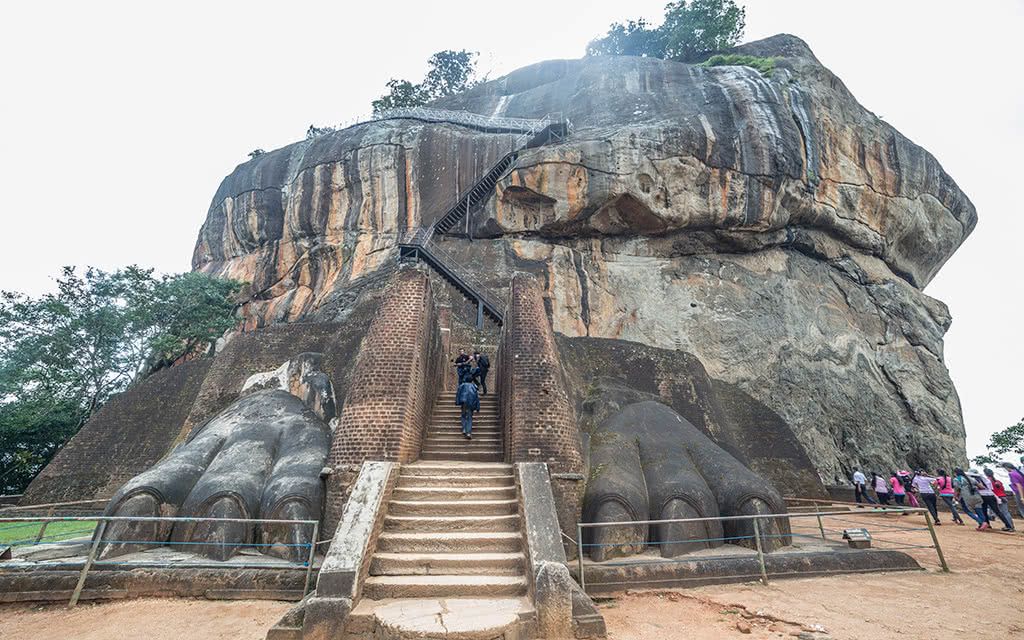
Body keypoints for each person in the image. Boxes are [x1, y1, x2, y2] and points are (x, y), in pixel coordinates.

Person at [456, 375, 480, 439]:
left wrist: (457, 402)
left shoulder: (462, 385)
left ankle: (464, 429)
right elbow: (477, 397)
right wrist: (477, 407)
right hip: (471, 404)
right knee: (469, 418)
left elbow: (458, 393)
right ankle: (468, 433)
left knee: (463, 415)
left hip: (464, 402)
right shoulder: (474, 387)